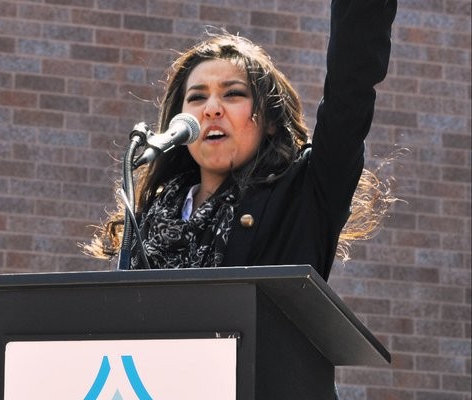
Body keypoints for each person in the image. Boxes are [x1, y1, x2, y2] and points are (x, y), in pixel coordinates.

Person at [84, 0, 398, 283]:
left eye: (233, 93)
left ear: (271, 121)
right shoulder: (148, 218)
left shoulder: (304, 194)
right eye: (197, 97)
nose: (211, 109)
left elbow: (350, 86)